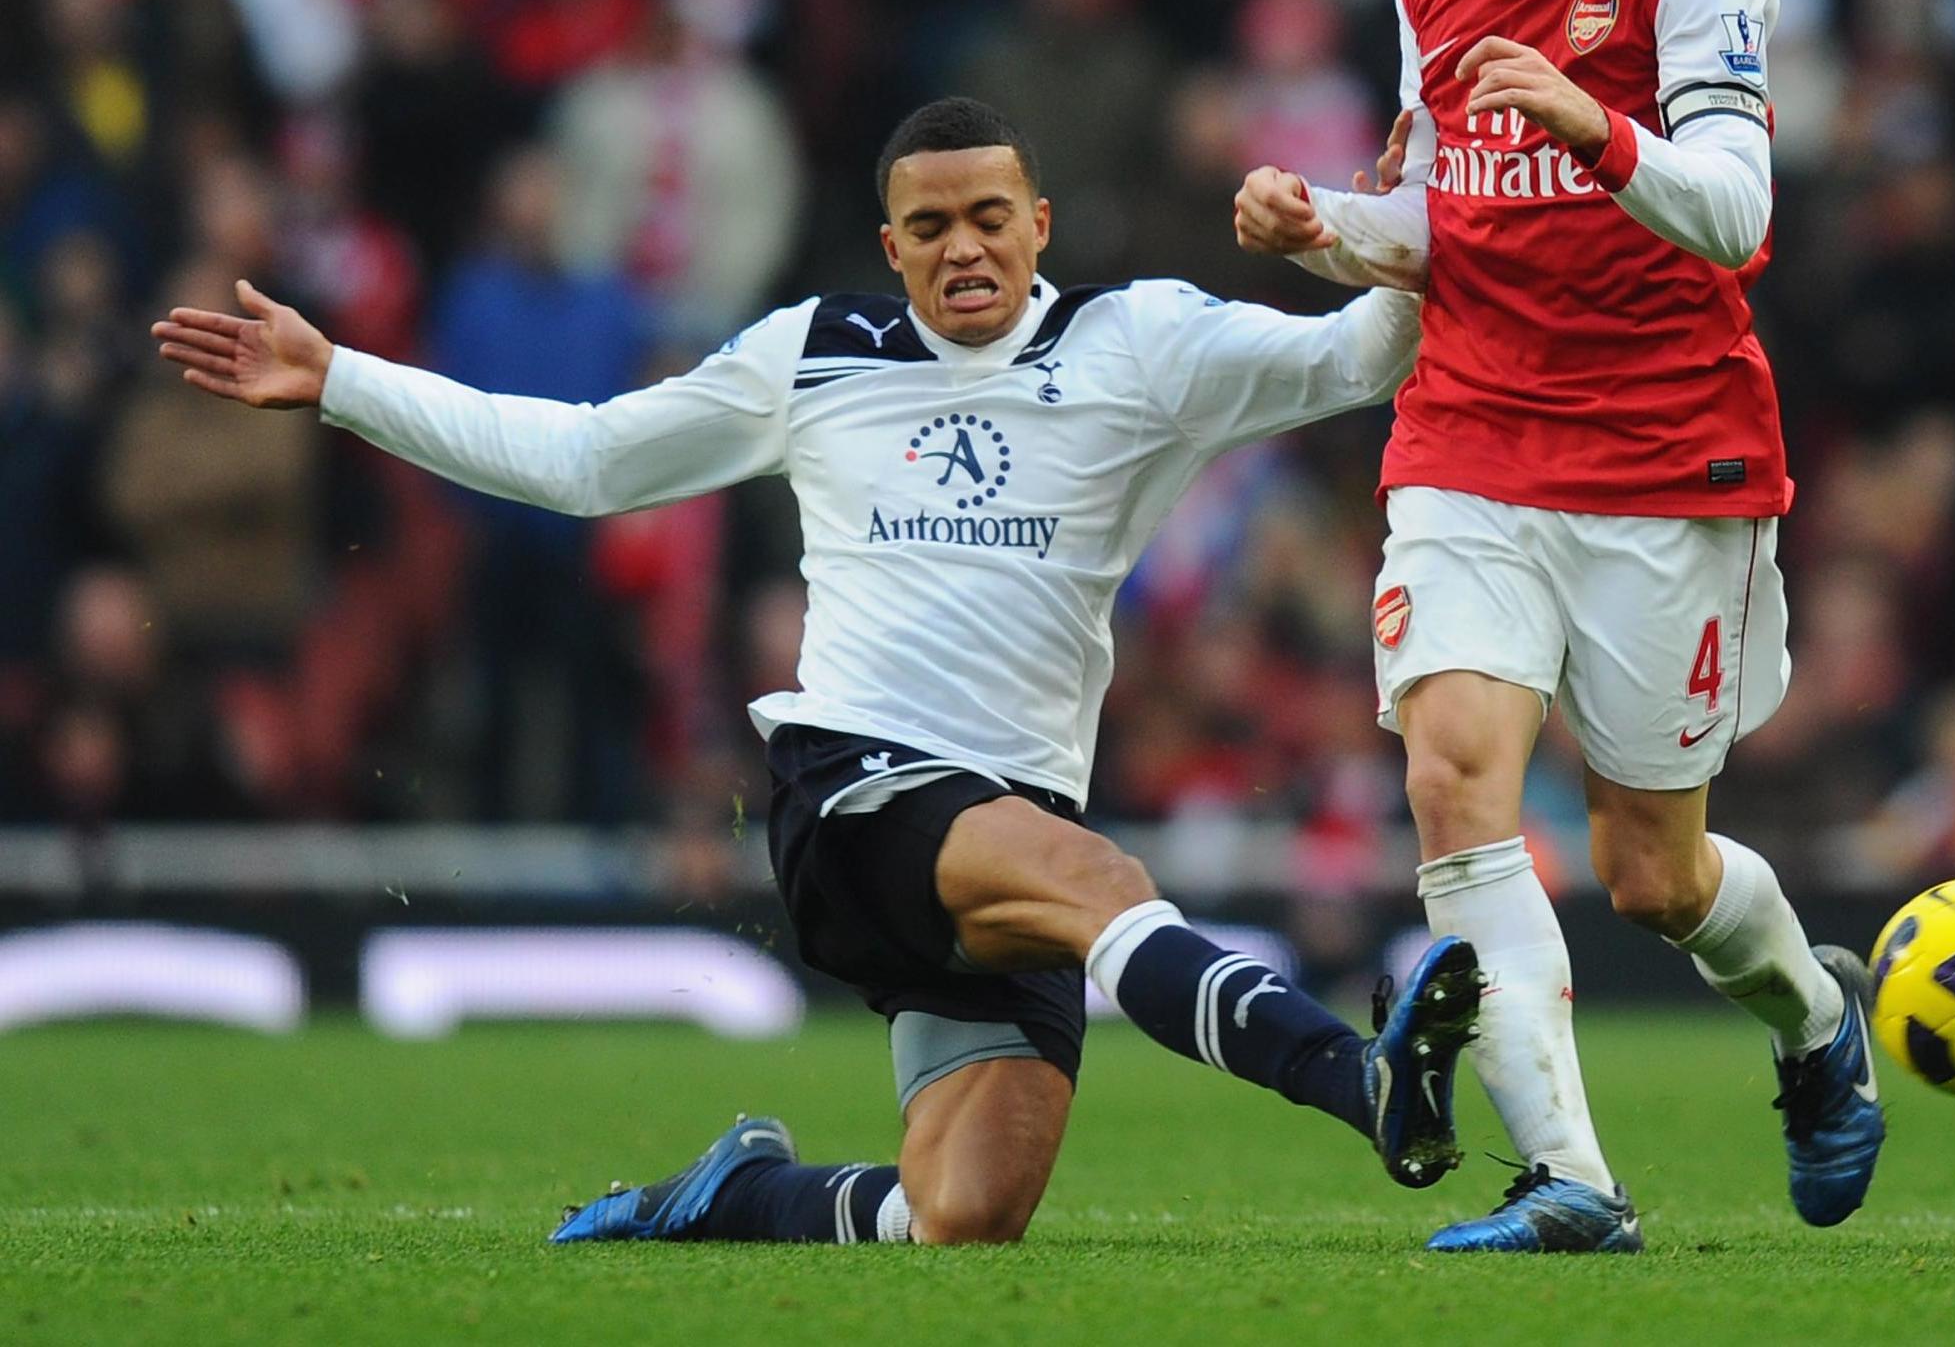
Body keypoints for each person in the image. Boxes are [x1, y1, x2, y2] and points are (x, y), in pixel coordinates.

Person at [150, 96, 1479, 1249]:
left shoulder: (1143, 345)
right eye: (930, 225)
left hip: (1011, 818)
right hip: (857, 791)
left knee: (963, 1213)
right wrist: (342, 381)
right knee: (1106, 887)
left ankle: (737, 1196)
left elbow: (1359, 359)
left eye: (989, 215)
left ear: (1041, 222)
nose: (963, 245)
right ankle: (1354, 1078)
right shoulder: (813, 353)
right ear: (890, 243)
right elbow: (585, 461)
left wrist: (1387, 244)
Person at [1234, 0, 1884, 1253]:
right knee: (1453, 771)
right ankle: (1573, 1182)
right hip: (1468, 434)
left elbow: (1734, 215)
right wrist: (1320, 226)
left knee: (1651, 875)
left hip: (1667, 455)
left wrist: (1593, 121)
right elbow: (1438, 223)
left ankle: (1811, 1025)